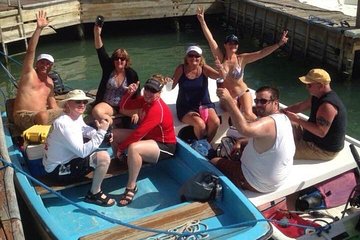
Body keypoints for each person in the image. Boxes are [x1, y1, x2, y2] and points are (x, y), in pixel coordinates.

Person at [197, 7, 288, 121]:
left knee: (248, 115)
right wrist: (202, 21)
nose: (233, 45)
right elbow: (211, 40)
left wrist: (279, 44)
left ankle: (264, 130)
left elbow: (261, 53)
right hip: (229, 96)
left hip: (242, 91)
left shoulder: (242, 58)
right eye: (230, 43)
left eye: (235, 43)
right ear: (225, 45)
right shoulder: (221, 58)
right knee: (235, 113)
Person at [211, 86, 295, 193]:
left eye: (263, 101)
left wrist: (229, 102)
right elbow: (264, 141)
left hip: (255, 181)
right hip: (276, 181)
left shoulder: (268, 122)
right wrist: (240, 142)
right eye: (257, 101)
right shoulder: (284, 118)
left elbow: (244, 129)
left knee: (213, 161)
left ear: (275, 103)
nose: (258, 105)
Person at [43, 89, 115, 207]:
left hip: (65, 161)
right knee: (104, 157)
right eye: (77, 102)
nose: (82, 104)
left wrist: (102, 134)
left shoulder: (74, 116)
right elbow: (82, 152)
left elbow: (84, 129)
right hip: (58, 171)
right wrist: (101, 131)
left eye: (84, 102)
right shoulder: (63, 124)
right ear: (67, 104)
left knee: (92, 143)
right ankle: (94, 193)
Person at [113, 74, 177, 206]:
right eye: (147, 88)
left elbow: (138, 134)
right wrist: (128, 93)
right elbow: (123, 107)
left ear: (159, 94)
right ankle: (123, 162)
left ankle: (131, 186)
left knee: (133, 148)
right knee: (113, 134)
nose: (148, 93)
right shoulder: (144, 100)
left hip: (165, 147)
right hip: (149, 139)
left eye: (153, 91)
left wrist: (121, 147)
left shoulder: (157, 109)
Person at [13, 10, 62, 132]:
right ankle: (42, 144)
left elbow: (53, 105)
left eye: (48, 63)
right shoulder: (29, 74)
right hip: (22, 116)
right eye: (42, 62)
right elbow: (30, 51)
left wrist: (67, 111)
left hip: (41, 117)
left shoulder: (50, 82)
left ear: (51, 66)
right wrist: (39, 29)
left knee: (71, 109)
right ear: (36, 63)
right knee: (43, 115)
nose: (45, 65)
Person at [283, 68, 347, 160]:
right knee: (282, 124)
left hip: (322, 149)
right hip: (311, 136)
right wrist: (282, 112)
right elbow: (300, 107)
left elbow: (320, 132)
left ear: (320, 86)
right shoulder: (317, 96)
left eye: (309, 85)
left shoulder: (327, 106)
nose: (306, 87)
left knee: (279, 149)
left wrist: (297, 120)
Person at [92, 19, 140, 126]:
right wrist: (97, 33)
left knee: (142, 114)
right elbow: (100, 50)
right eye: (116, 58)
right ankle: (110, 124)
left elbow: (137, 94)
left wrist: (136, 112)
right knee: (96, 111)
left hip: (124, 106)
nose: (119, 61)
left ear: (126, 61)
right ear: (113, 60)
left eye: (122, 59)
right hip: (108, 105)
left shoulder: (132, 74)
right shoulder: (108, 68)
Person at [172, 45, 221, 142]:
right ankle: (202, 148)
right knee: (200, 124)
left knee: (216, 122)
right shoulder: (181, 69)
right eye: (191, 55)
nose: (194, 58)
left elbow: (219, 76)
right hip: (186, 107)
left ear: (201, 58)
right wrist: (168, 81)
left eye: (197, 56)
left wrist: (220, 68)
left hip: (205, 105)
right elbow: (171, 86)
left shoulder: (204, 69)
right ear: (186, 57)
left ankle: (205, 145)